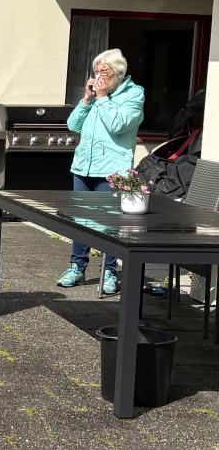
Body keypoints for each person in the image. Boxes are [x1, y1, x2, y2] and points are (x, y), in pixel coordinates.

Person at [56, 49, 145, 295]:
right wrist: (87, 99)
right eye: (96, 72)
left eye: (103, 72)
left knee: (108, 224)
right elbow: (73, 125)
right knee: (81, 221)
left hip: (112, 170)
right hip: (84, 166)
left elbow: (118, 125)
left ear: (118, 73)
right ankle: (77, 266)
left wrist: (103, 98)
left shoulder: (134, 95)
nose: (98, 77)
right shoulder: (96, 96)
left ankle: (109, 271)